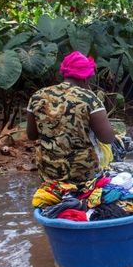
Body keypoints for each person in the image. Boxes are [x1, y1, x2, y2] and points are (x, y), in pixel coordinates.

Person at [26, 51, 115, 183]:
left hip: (48, 172)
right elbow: (108, 138)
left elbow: (32, 135)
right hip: (82, 173)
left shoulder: (38, 96)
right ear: (85, 78)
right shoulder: (89, 98)